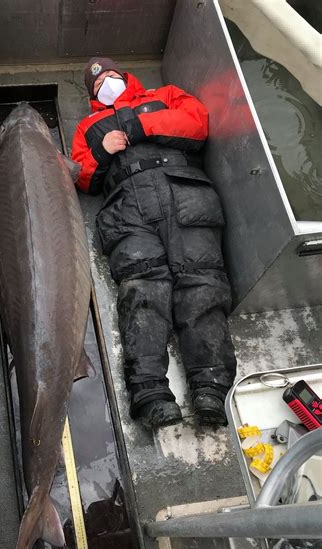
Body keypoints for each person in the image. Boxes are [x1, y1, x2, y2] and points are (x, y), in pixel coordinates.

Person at [71, 57, 237, 430]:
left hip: (185, 195)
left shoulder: (164, 96)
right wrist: (102, 151)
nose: (106, 83)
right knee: (142, 290)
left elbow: (197, 124)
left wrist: (139, 125)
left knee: (202, 282)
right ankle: (149, 393)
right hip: (128, 207)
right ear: (91, 96)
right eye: (97, 85)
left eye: (110, 75)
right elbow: (82, 176)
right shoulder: (88, 126)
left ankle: (210, 386)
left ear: (125, 75)